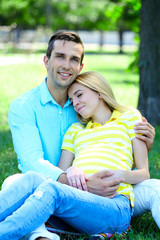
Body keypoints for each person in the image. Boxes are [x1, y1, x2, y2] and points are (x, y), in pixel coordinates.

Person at [6, 30, 157, 240]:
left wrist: (143, 143)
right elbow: (33, 161)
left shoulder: (109, 113)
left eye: (74, 59)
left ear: (81, 67)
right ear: (46, 60)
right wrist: (71, 177)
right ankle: (41, 235)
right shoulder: (26, 108)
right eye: (60, 56)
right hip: (64, 187)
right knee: (19, 181)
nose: (67, 65)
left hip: (110, 194)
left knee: (156, 187)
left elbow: (129, 160)